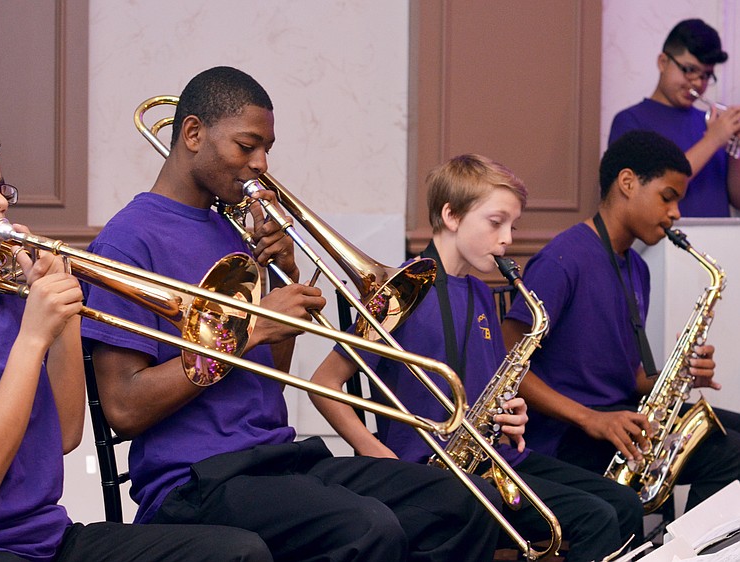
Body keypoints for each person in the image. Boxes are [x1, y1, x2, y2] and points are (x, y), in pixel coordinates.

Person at [81, 66, 502, 562]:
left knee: (469, 503)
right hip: (196, 479)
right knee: (367, 528)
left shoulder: (236, 233)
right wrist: (250, 329)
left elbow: (270, 380)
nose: (261, 164)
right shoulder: (127, 243)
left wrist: (282, 278)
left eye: (267, 148)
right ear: (193, 133)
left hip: (279, 458)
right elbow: (124, 409)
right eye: (247, 145)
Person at [0, 123, 272, 561]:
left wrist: (66, 316)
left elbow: (66, 434)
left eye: (0, 188)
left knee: (238, 551)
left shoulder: (12, 302)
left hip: (47, 538)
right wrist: (34, 335)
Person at [310, 154, 644, 562]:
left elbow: (488, 388)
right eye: (495, 222)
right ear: (451, 215)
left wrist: (514, 412)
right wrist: (379, 455)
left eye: (512, 226)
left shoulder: (480, 293)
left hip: (493, 461)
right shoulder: (402, 292)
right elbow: (324, 383)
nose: (507, 239)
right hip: (430, 472)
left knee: (623, 504)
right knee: (595, 518)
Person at [502, 130, 740, 513]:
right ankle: (685, 544)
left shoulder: (637, 268)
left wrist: (680, 376)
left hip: (619, 417)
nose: (676, 213)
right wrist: (591, 418)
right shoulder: (562, 260)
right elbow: (505, 362)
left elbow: (631, 378)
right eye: (667, 197)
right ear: (627, 182)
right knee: (729, 454)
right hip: (567, 435)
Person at [608, 18, 740, 218]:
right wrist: (713, 140)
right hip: (662, 238)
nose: (698, 83)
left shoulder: (711, 123)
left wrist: (735, 149)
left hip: (717, 236)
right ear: (663, 63)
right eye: (689, 70)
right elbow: (652, 190)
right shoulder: (630, 121)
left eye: (706, 75)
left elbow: (737, 199)